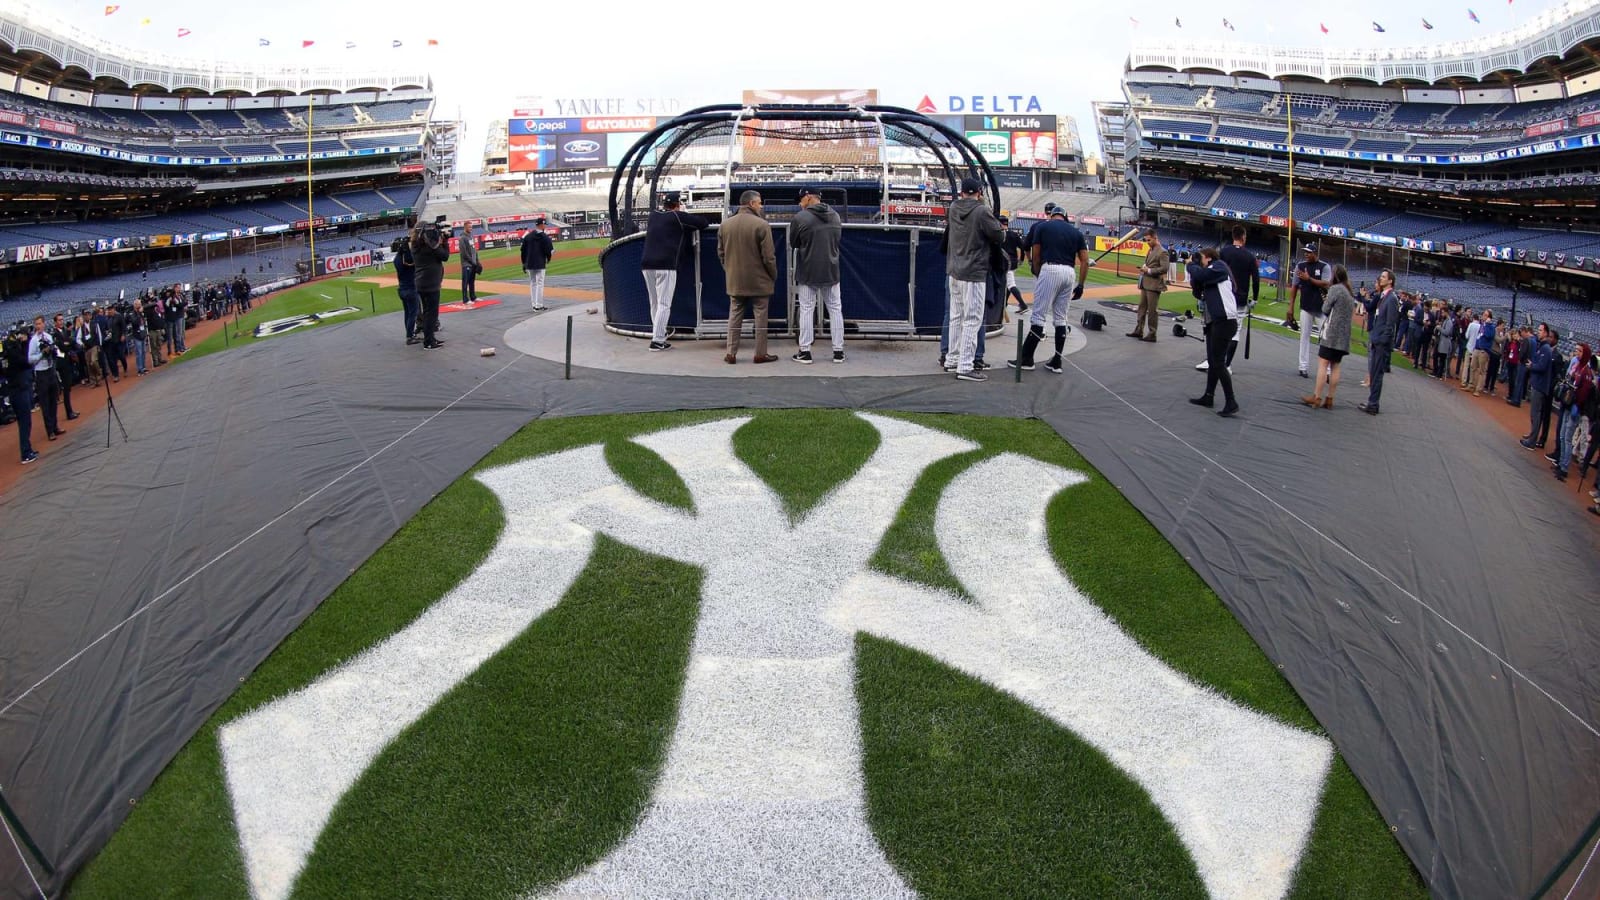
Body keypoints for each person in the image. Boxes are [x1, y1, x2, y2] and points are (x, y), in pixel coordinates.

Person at [1007, 205, 1086, 374]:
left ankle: (1027, 358)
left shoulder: (1043, 226)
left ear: (1053, 215)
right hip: (1070, 273)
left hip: (1050, 269)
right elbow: (1085, 261)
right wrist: (1081, 284)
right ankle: (1057, 361)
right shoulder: (1076, 232)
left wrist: (1037, 271)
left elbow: (1036, 254)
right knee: (1060, 318)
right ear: (1065, 217)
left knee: (1038, 315)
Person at [945, 177, 1006, 382]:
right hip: (973, 272)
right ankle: (964, 366)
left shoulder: (953, 207)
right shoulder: (981, 210)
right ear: (979, 192)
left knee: (956, 317)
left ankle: (952, 359)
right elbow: (998, 236)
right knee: (972, 320)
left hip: (954, 270)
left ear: (962, 192)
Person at [640, 192, 708, 351]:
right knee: (664, 304)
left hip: (647, 264)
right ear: (678, 204)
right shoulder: (678, 216)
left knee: (655, 303)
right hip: (666, 264)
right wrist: (683, 212)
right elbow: (703, 223)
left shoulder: (653, 216)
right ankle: (657, 340)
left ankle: (659, 336)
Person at [717, 190, 778, 365]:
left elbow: (721, 254)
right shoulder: (762, 225)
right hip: (759, 280)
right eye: (759, 203)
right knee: (761, 316)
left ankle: (731, 353)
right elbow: (769, 257)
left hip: (735, 279)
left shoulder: (725, 225)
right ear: (751, 204)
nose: (761, 206)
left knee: (735, 314)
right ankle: (760, 354)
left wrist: (729, 271)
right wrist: (772, 275)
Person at [790, 187, 845, 365]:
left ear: (807, 197)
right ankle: (838, 352)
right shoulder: (835, 215)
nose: (800, 203)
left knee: (806, 309)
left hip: (808, 270)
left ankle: (805, 352)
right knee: (835, 309)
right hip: (831, 269)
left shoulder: (801, 217)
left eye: (801, 199)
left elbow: (794, 243)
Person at [1185, 247, 1241, 417]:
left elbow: (1202, 275)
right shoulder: (1211, 272)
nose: (1198, 261)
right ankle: (1209, 396)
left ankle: (1231, 401)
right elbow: (1197, 291)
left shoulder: (1219, 266)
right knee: (1213, 360)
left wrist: (1190, 266)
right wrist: (1195, 273)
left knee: (1217, 362)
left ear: (1208, 258)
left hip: (1225, 320)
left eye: (1200, 258)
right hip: (1215, 320)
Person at [1303, 264, 1355, 409]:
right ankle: (1330, 399)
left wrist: (1326, 299)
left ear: (1335, 275)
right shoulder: (1349, 293)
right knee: (1336, 365)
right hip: (1344, 336)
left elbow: (1325, 309)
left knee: (1323, 363)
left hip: (1331, 333)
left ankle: (1316, 396)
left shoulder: (1335, 289)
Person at [1359, 269, 1400, 415]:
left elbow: (1390, 324)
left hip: (1381, 343)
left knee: (1377, 375)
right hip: (1377, 339)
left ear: (1390, 281)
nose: (1380, 279)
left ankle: (1373, 404)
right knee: (1374, 373)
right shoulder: (1384, 296)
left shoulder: (1392, 299)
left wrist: (1382, 341)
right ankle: (1372, 401)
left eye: (1383, 277)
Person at [1288, 243, 1331, 378]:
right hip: (1305, 307)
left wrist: (1309, 279)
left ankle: (1328, 370)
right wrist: (1291, 307)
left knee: (1325, 339)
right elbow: (1294, 286)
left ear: (1315, 253)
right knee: (1304, 337)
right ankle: (1303, 367)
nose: (1306, 254)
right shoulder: (1300, 266)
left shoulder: (1324, 266)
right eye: (1305, 252)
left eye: (1308, 252)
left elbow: (1326, 283)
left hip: (1321, 309)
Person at [1553, 344, 1595, 480]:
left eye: (1580, 351)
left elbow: (1583, 393)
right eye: (1576, 350)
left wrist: (1576, 403)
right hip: (1567, 404)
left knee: (1567, 438)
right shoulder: (1576, 366)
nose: (1577, 352)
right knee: (1562, 435)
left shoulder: (1586, 372)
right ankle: (1560, 463)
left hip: (1574, 408)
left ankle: (1564, 467)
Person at [411, 221, 451, 350]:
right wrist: (444, 241)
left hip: (422, 282)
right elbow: (444, 256)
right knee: (431, 313)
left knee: (428, 312)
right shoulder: (429, 246)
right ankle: (428, 341)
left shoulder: (416, 245)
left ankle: (430, 338)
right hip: (430, 283)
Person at [27, 316, 65, 442]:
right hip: (41, 373)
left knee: (53, 400)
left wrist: (52, 351)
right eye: (36, 324)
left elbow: (55, 350)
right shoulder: (33, 341)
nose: (38, 326)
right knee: (45, 403)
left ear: (44, 324)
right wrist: (42, 353)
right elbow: (30, 359)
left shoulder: (48, 336)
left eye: (40, 323)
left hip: (50, 370)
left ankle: (55, 426)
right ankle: (49, 431)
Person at [3, 325, 36, 464]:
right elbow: (26, 362)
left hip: (14, 389)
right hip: (19, 389)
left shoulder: (6, 356)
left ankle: (27, 449)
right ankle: (25, 453)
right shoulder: (13, 353)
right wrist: (22, 345)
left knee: (24, 422)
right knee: (24, 422)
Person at [1127, 228, 1167, 341]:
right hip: (1145, 283)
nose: (1147, 243)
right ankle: (1139, 330)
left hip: (1154, 284)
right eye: (1146, 240)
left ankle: (1152, 333)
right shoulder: (1150, 250)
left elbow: (1164, 268)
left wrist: (1149, 270)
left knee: (1152, 310)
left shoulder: (1162, 251)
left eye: (1149, 240)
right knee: (1141, 308)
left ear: (1155, 238)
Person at [521, 217, 555, 312]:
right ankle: (539, 305)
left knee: (533, 283)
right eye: (544, 224)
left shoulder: (528, 236)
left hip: (530, 264)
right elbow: (549, 251)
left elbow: (523, 251)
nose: (545, 226)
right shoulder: (545, 237)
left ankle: (534, 305)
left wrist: (524, 263)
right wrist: (549, 258)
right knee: (540, 283)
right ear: (541, 225)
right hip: (540, 264)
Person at [393, 231, 420, 345]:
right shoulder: (407, 258)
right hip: (410, 288)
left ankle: (410, 334)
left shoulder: (397, 259)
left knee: (407, 313)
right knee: (413, 313)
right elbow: (412, 262)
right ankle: (410, 336)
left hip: (402, 288)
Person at [998, 215, 1027, 313]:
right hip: (1013, 262)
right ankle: (1004, 304)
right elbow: (1023, 247)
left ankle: (1023, 304)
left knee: (1010, 284)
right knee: (1008, 283)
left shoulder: (999, 234)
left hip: (1004, 262)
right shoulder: (1014, 234)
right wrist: (1022, 259)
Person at [1468, 310, 1495, 396]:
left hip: (1484, 350)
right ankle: (1471, 384)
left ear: (1489, 318)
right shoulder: (1481, 325)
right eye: (1483, 315)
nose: (1484, 316)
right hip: (1477, 348)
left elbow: (1488, 335)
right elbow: (1479, 336)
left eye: (1486, 315)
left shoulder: (1491, 327)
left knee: (1481, 371)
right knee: (1472, 367)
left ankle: (1478, 389)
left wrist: (1487, 324)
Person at [458, 222, 480, 306]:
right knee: (465, 282)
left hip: (473, 263)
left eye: (471, 227)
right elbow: (464, 253)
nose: (471, 228)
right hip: (466, 264)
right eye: (469, 227)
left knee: (472, 281)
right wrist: (472, 261)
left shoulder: (471, 236)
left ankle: (473, 296)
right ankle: (465, 299)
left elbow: (474, 249)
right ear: (465, 227)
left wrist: (477, 261)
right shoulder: (462, 238)